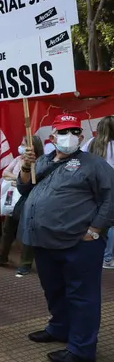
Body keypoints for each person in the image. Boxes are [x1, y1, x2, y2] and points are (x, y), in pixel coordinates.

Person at [19, 114, 114, 362]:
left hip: (79, 244)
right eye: (63, 131)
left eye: (73, 131)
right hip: (44, 242)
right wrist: (27, 166)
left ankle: (81, 350)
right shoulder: (41, 161)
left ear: (81, 137)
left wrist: (95, 230)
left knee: (82, 297)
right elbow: (24, 188)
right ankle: (60, 328)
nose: (68, 136)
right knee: (54, 290)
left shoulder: (94, 164)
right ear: (52, 137)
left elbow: (110, 198)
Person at [0, 135, 44, 275]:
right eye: (22, 143)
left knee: (28, 230)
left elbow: (33, 181)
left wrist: (18, 181)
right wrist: (18, 179)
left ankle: (25, 263)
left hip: (30, 199)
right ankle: (2, 257)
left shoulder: (40, 162)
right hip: (15, 199)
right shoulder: (18, 159)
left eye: (25, 144)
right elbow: (5, 173)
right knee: (8, 229)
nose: (21, 146)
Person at [82, 115, 114, 269]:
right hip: (111, 189)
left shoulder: (91, 143)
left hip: (93, 188)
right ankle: (107, 258)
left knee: (95, 221)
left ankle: (94, 254)